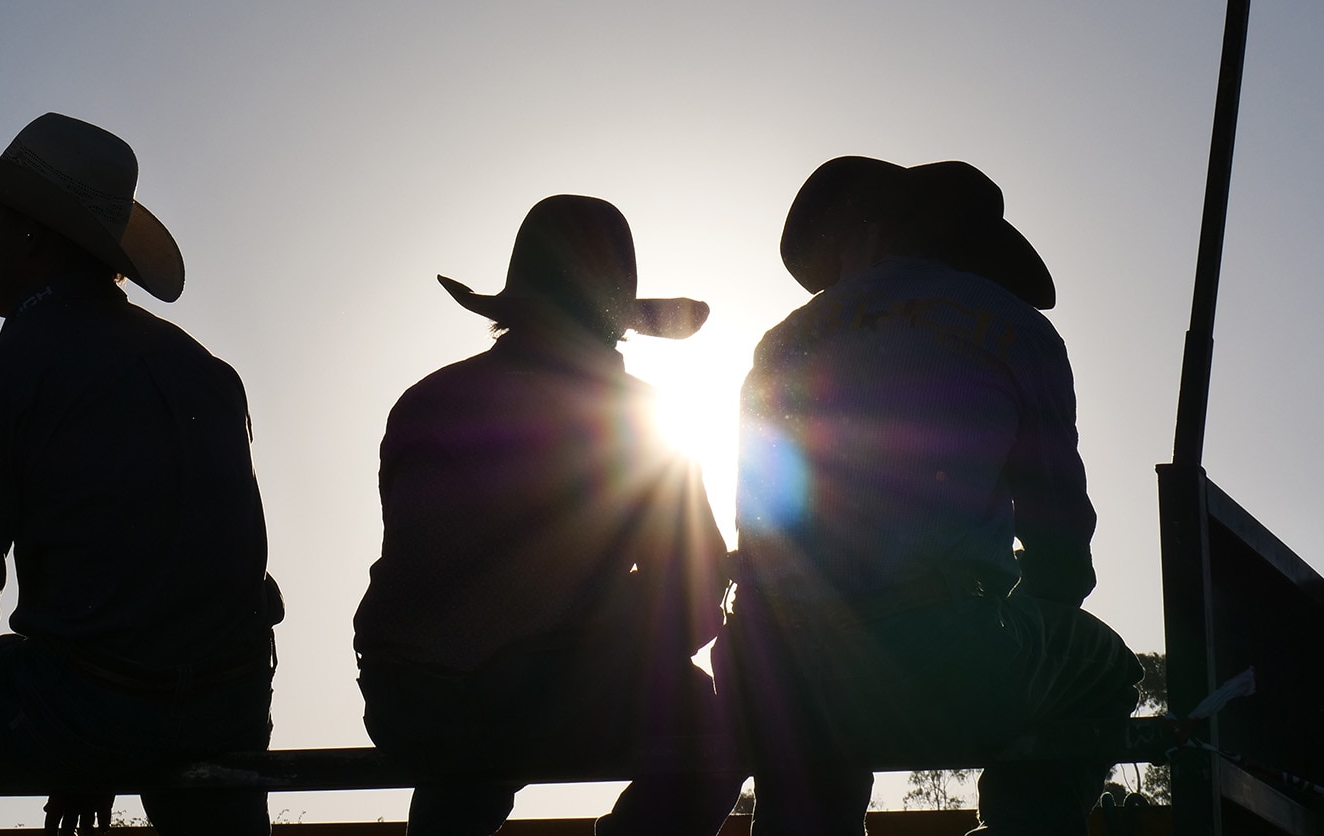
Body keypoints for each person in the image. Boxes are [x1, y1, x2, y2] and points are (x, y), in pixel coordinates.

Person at [0, 113, 282, 836]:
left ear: (32, 234)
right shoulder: (206, 372)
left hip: (97, 704)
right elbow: (217, 558)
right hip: (228, 699)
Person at [722, 156, 1141, 836]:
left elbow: (760, 532)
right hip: (933, 659)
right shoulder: (1017, 330)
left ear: (870, 234)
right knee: (1104, 673)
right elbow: (1061, 553)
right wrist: (1012, 617)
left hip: (776, 678)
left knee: (809, 753)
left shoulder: (779, 344)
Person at [355, 195, 741, 836]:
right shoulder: (639, 418)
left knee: (470, 744)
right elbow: (693, 589)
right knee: (721, 730)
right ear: (617, 321)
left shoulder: (426, 399)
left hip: (404, 692)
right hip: (543, 691)